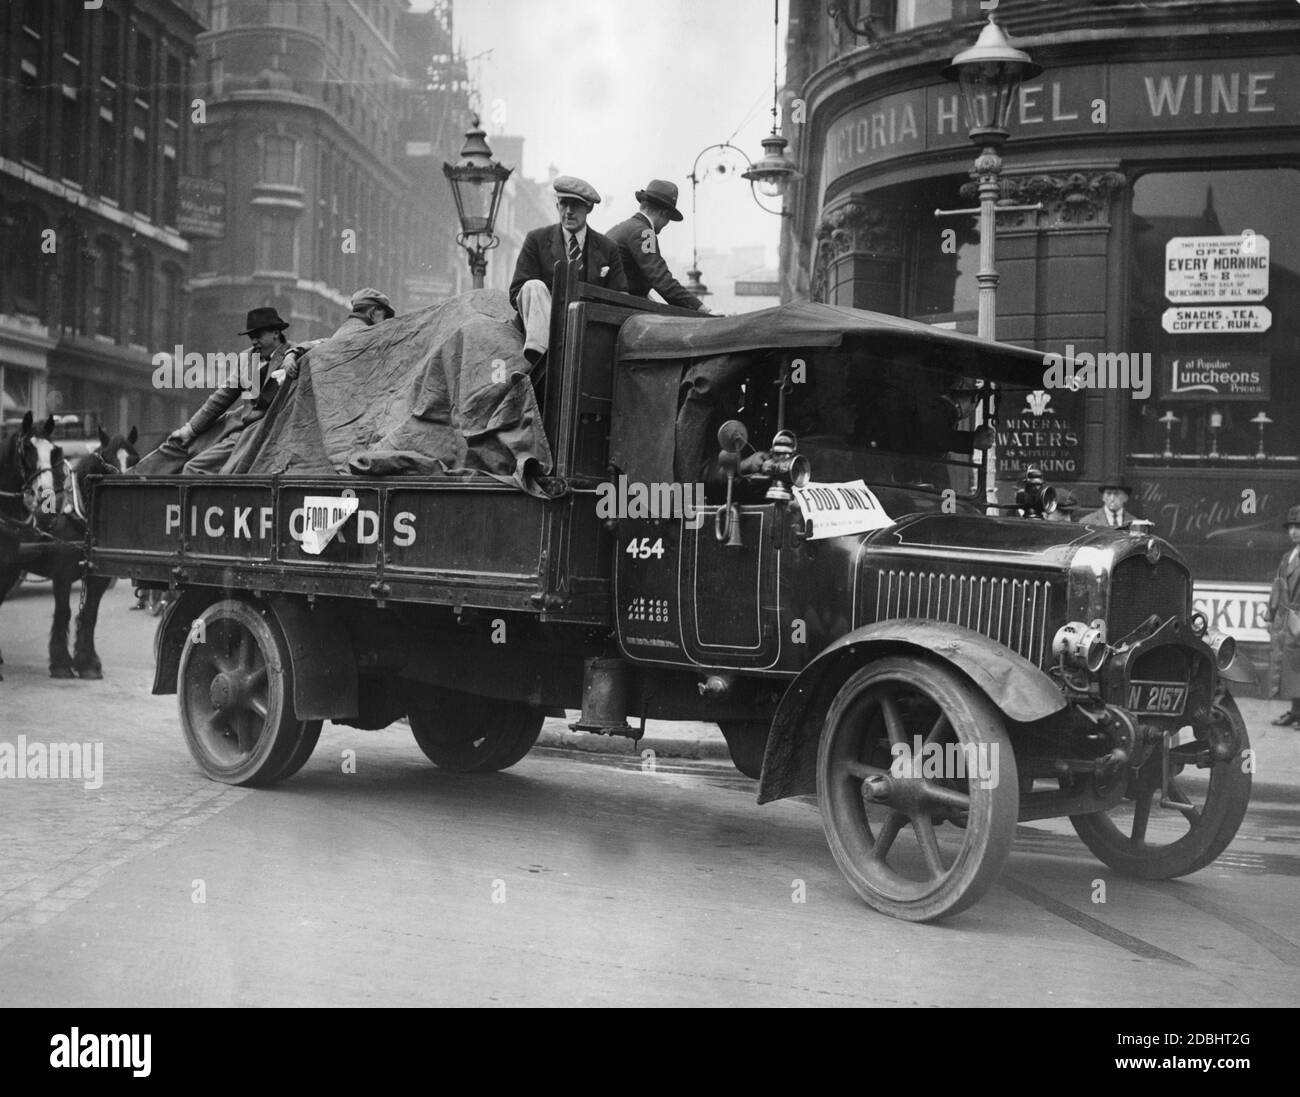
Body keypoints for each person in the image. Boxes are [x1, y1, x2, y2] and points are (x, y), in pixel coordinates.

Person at [509, 175, 628, 365]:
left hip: (586, 337)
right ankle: (543, 358)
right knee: (532, 286)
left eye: (576, 205)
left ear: (589, 208)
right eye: (564, 204)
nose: (569, 212)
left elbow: (620, 297)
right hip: (542, 338)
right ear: (557, 206)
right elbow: (516, 292)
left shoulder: (608, 248)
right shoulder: (536, 240)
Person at [167, 306, 296, 474]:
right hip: (243, 433)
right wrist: (189, 430)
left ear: (276, 333)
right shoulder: (247, 358)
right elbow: (222, 397)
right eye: (251, 336)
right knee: (192, 464)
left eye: (258, 335)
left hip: (275, 435)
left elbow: (322, 344)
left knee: (210, 471)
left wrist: (293, 354)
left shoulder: (296, 354)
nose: (254, 341)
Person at [607, 180, 709, 312]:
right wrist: (702, 308)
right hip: (618, 309)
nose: (667, 224)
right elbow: (662, 280)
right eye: (669, 219)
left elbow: (631, 282)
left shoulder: (624, 227)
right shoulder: (644, 232)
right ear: (663, 213)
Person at [1267, 505, 1300, 726]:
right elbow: (1278, 586)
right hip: (1286, 619)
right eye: (1291, 527)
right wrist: (1270, 613)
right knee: (1290, 669)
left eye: (1299, 527)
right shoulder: (1289, 555)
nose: (1294, 531)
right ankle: (1295, 711)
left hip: (1298, 617)